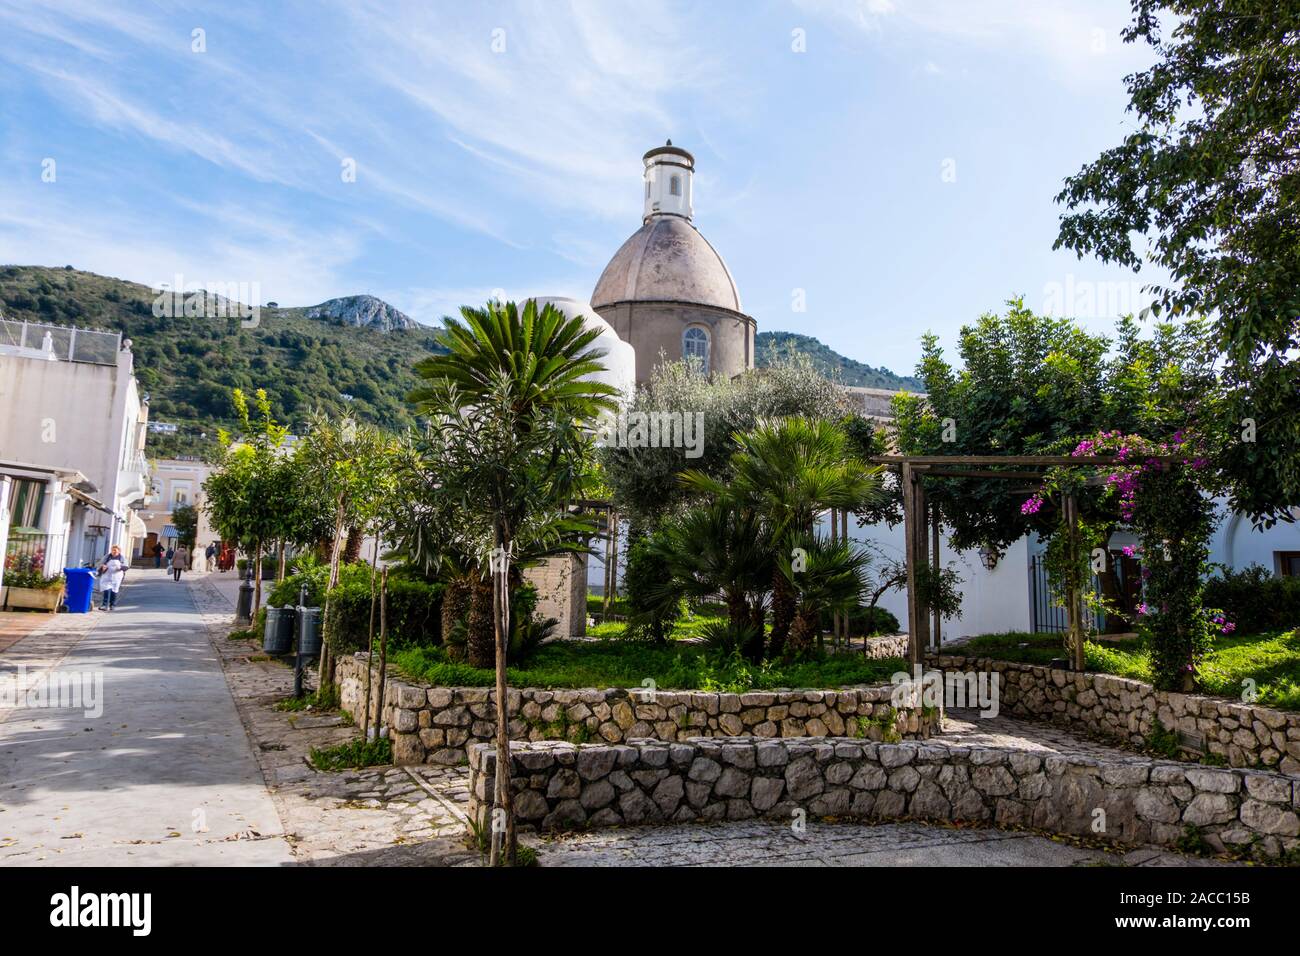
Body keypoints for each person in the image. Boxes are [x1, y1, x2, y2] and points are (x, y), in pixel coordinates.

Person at [98, 545, 128, 611]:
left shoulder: (122, 558)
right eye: (112, 550)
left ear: (119, 551)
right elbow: (100, 564)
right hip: (107, 575)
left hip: (117, 576)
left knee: (114, 591)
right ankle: (104, 605)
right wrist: (102, 568)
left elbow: (126, 567)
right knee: (106, 589)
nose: (114, 552)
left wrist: (120, 568)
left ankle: (112, 605)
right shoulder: (107, 557)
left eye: (115, 551)